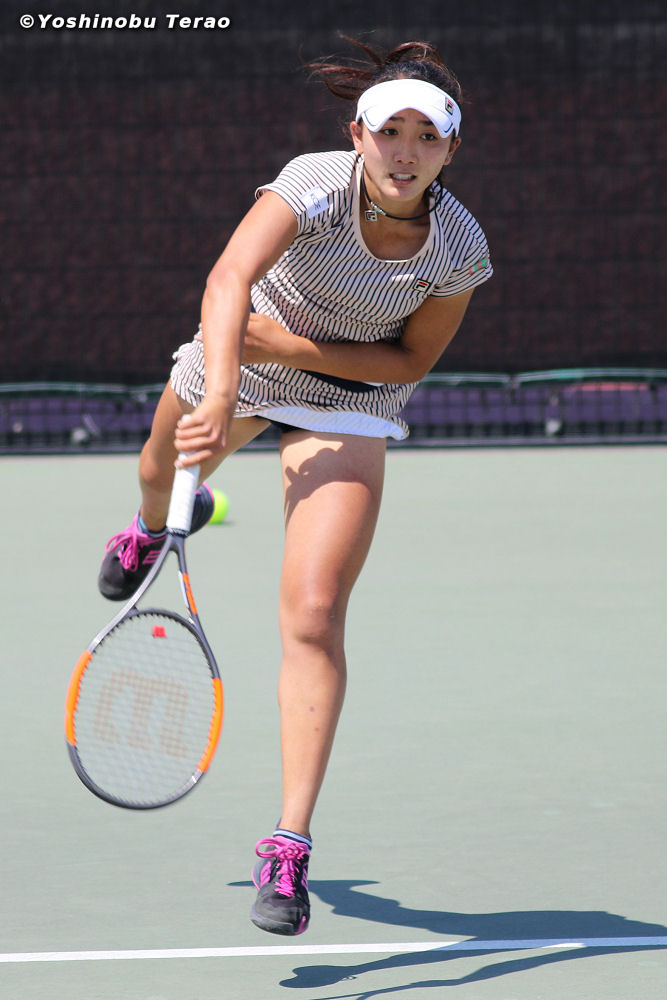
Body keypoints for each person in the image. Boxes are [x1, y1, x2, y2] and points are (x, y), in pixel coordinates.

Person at [98, 37, 493, 936]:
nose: (403, 151)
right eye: (387, 131)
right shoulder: (313, 182)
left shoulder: (458, 246)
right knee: (158, 469)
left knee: (314, 615)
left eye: (424, 137)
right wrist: (224, 388)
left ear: (449, 149)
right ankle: (151, 525)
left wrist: (287, 347)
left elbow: (409, 361)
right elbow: (230, 279)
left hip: (351, 398)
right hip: (237, 364)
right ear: (356, 134)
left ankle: (287, 844)